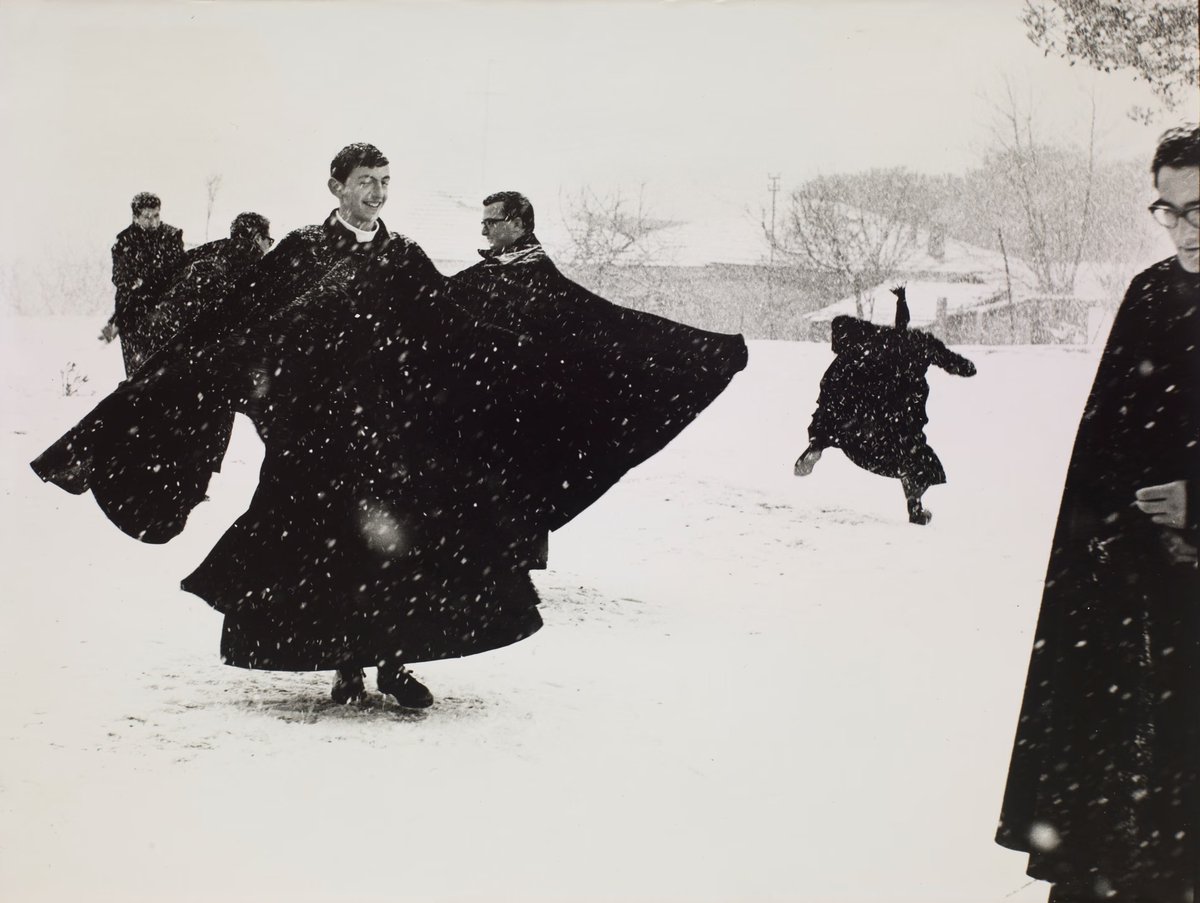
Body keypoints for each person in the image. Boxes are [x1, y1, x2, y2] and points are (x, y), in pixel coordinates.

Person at [32, 151, 749, 713]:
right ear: (336, 185)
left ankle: (396, 663)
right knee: (326, 548)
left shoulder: (403, 257)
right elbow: (236, 323)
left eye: (384, 181)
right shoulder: (302, 252)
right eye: (365, 181)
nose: (377, 192)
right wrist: (177, 379)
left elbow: (449, 325)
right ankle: (345, 662)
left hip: (392, 431)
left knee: (405, 545)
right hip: (317, 436)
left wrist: (525, 351)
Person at [995, 125, 1199, 902]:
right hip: (1138, 606)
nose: (1184, 229)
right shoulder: (1152, 293)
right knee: (1117, 825)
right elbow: (1104, 448)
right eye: (1169, 209)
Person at [451, 190, 750, 556]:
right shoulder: (486, 276)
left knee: (516, 487)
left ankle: (507, 563)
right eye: (482, 223)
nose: (483, 232)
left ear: (518, 224)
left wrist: (704, 351)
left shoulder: (541, 283)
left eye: (491, 223)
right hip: (487, 411)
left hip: (526, 414)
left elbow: (612, 327)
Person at [791, 286, 976, 524]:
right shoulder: (912, 342)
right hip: (901, 420)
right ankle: (915, 506)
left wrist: (818, 437)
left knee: (835, 415)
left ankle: (819, 445)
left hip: (859, 426)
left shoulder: (850, 359)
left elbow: (828, 400)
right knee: (912, 458)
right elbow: (956, 363)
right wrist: (961, 365)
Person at [103, 192, 186, 374]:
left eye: (156, 215)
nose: (153, 222)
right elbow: (122, 279)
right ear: (135, 217)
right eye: (147, 217)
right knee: (136, 377)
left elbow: (176, 273)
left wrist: (144, 280)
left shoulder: (171, 236)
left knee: (166, 375)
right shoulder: (124, 241)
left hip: (166, 313)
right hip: (133, 316)